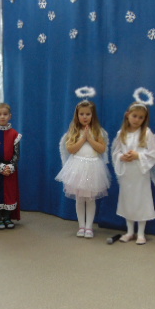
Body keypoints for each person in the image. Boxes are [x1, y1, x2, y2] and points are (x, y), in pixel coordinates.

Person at [55, 94, 110, 238]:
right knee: (80, 199)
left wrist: (90, 139)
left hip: (93, 168)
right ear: (77, 115)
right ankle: (81, 226)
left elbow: (102, 149)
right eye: (82, 114)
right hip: (78, 167)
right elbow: (71, 149)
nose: (85, 117)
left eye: (88, 114)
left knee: (90, 199)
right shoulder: (74, 131)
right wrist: (83, 138)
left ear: (93, 115)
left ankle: (89, 227)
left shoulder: (98, 131)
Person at [111, 102, 155, 245]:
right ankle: (130, 231)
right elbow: (116, 152)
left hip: (140, 173)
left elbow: (153, 154)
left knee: (141, 201)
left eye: (141, 117)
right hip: (127, 173)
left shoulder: (147, 133)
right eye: (134, 116)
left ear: (145, 119)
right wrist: (121, 157)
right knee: (128, 201)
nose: (137, 120)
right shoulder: (121, 133)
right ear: (128, 115)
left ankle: (141, 233)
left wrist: (138, 155)